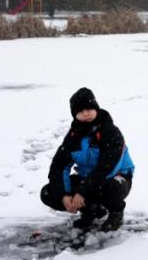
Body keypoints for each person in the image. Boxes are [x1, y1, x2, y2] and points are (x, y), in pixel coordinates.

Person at [40, 87, 135, 232]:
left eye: (89, 108)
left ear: (96, 108)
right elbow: (58, 166)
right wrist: (64, 195)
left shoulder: (110, 131)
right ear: (75, 115)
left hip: (116, 178)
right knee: (49, 193)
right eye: (81, 111)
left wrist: (82, 191)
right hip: (88, 180)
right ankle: (92, 210)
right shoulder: (73, 136)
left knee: (105, 187)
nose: (86, 113)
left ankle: (116, 212)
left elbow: (108, 166)